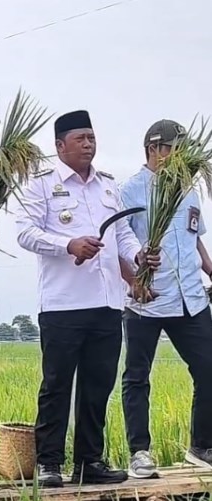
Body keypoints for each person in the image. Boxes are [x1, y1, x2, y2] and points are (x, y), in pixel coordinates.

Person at [15, 110, 159, 487]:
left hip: (107, 302)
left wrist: (138, 256)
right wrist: (68, 244)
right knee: (57, 385)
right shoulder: (41, 185)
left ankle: (88, 462)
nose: (88, 144)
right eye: (79, 138)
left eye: (91, 137)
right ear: (60, 145)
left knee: (98, 385)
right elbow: (25, 233)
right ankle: (49, 463)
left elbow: (123, 235)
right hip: (64, 304)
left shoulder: (107, 186)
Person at [117, 119, 212, 477]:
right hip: (148, 298)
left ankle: (202, 446)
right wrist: (132, 280)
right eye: (174, 148)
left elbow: (194, 235)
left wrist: (209, 267)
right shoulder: (131, 190)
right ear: (154, 149)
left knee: (208, 369)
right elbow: (118, 242)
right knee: (137, 376)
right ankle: (139, 451)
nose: (181, 155)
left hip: (191, 297)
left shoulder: (188, 187)